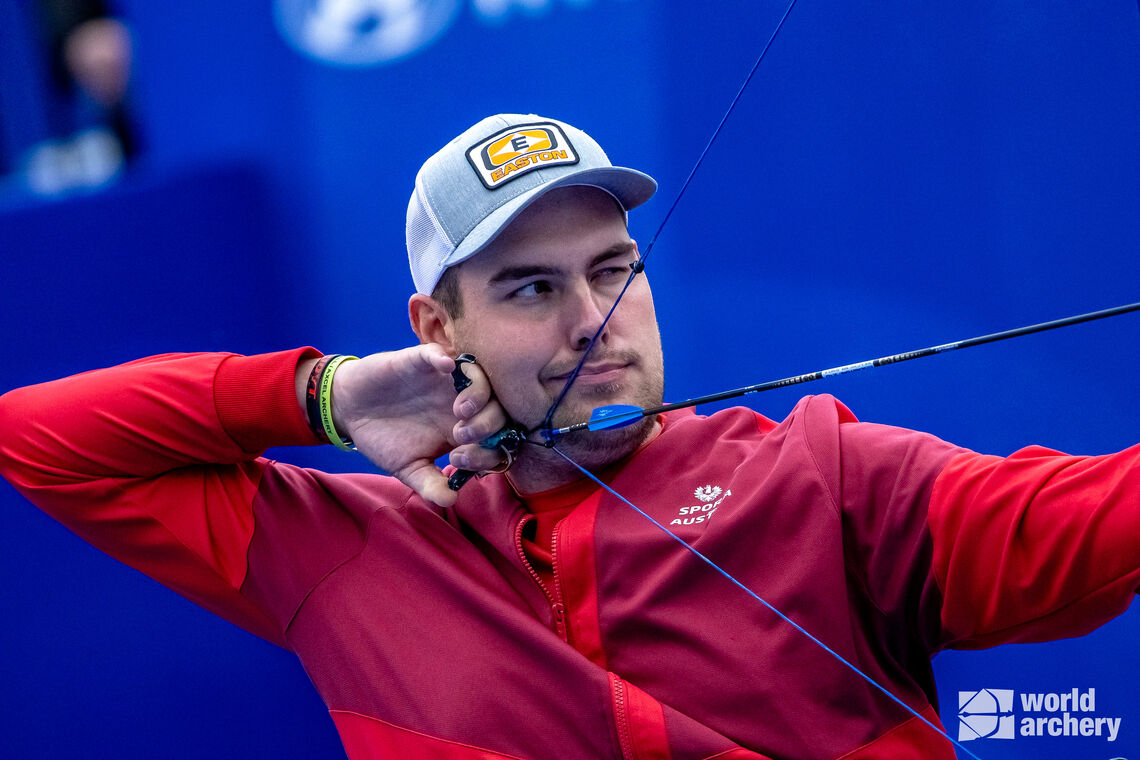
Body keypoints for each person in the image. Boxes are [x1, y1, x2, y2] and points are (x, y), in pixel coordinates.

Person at [1, 113, 1137, 759]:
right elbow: (39, 441)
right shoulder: (360, 548)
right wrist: (326, 398)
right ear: (437, 329)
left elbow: (1092, 522)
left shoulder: (823, 474)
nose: (594, 321)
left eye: (613, 270)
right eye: (533, 289)